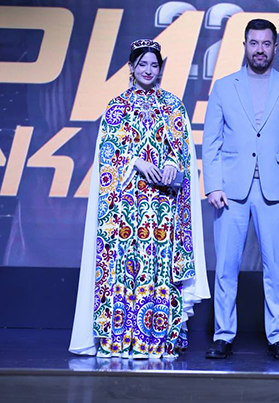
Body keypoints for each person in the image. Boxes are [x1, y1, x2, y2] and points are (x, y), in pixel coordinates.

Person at [69, 39, 209, 358]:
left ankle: (157, 339)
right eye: (142, 64)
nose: (148, 70)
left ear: (161, 69)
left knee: (159, 269)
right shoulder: (117, 107)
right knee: (125, 269)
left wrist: (172, 164)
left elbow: (183, 152)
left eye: (154, 65)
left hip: (162, 208)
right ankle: (121, 339)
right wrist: (136, 162)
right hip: (126, 209)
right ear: (131, 67)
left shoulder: (172, 106)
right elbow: (107, 156)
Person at [202, 19, 279, 360]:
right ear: (245, 46)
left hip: (276, 190)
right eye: (254, 43)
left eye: (265, 43)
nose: (259, 49)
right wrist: (213, 185)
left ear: (275, 47)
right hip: (231, 190)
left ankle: (277, 337)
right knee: (225, 268)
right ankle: (223, 335)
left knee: (276, 269)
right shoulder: (224, 87)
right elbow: (211, 141)